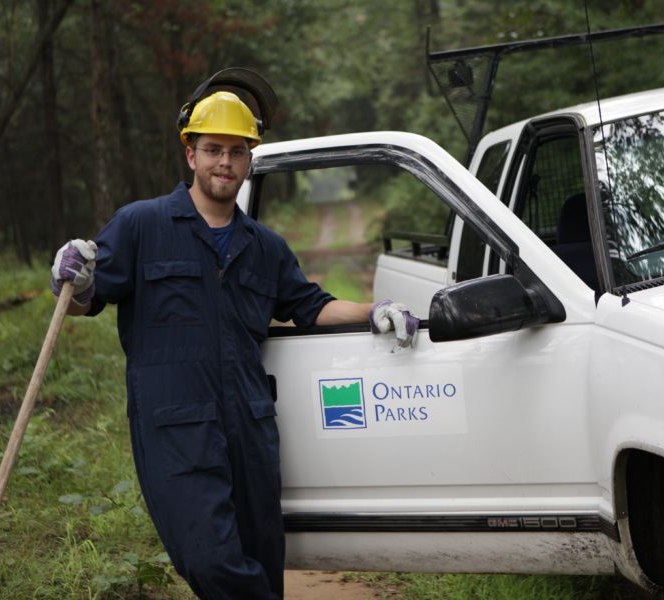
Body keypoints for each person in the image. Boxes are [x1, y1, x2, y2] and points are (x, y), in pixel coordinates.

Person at [50, 87, 418, 600]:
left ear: (249, 158)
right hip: (175, 428)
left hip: (249, 426)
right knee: (209, 560)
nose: (225, 162)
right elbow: (82, 301)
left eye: (237, 150)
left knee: (263, 561)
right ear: (190, 154)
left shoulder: (264, 246)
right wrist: (72, 278)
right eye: (214, 149)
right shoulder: (142, 225)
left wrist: (374, 310)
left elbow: (309, 304)